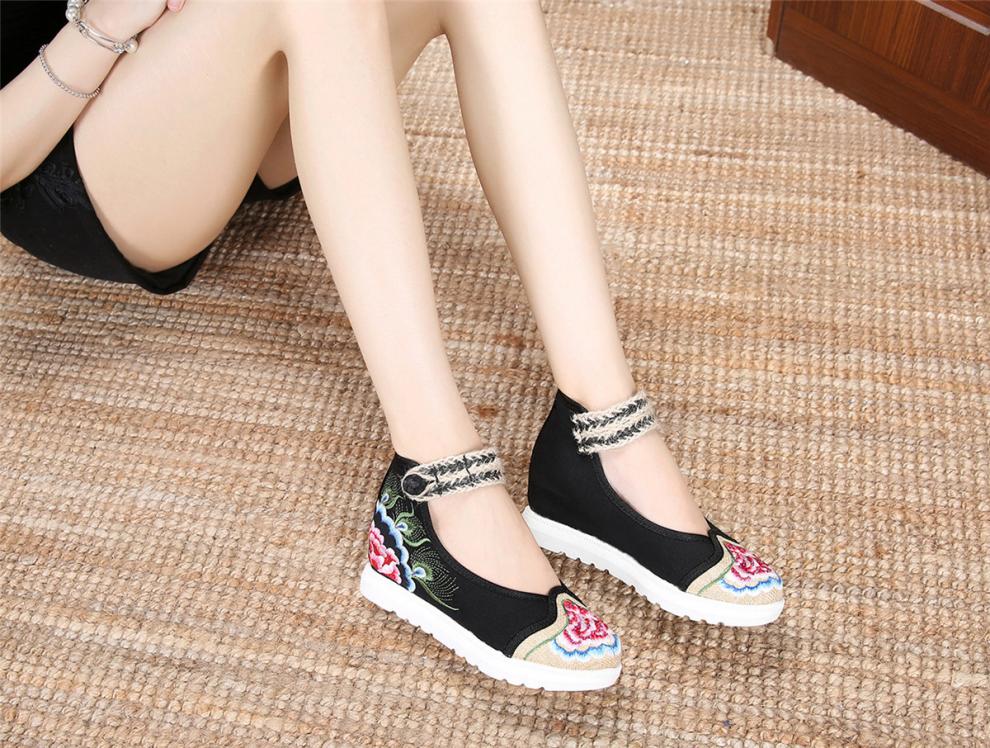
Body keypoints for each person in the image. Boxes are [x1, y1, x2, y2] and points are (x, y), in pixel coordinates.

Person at [0, 0, 784, 691]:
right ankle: (437, 486)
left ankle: (600, 426)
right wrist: (104, 23)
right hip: (68, 149)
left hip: (227, 66)